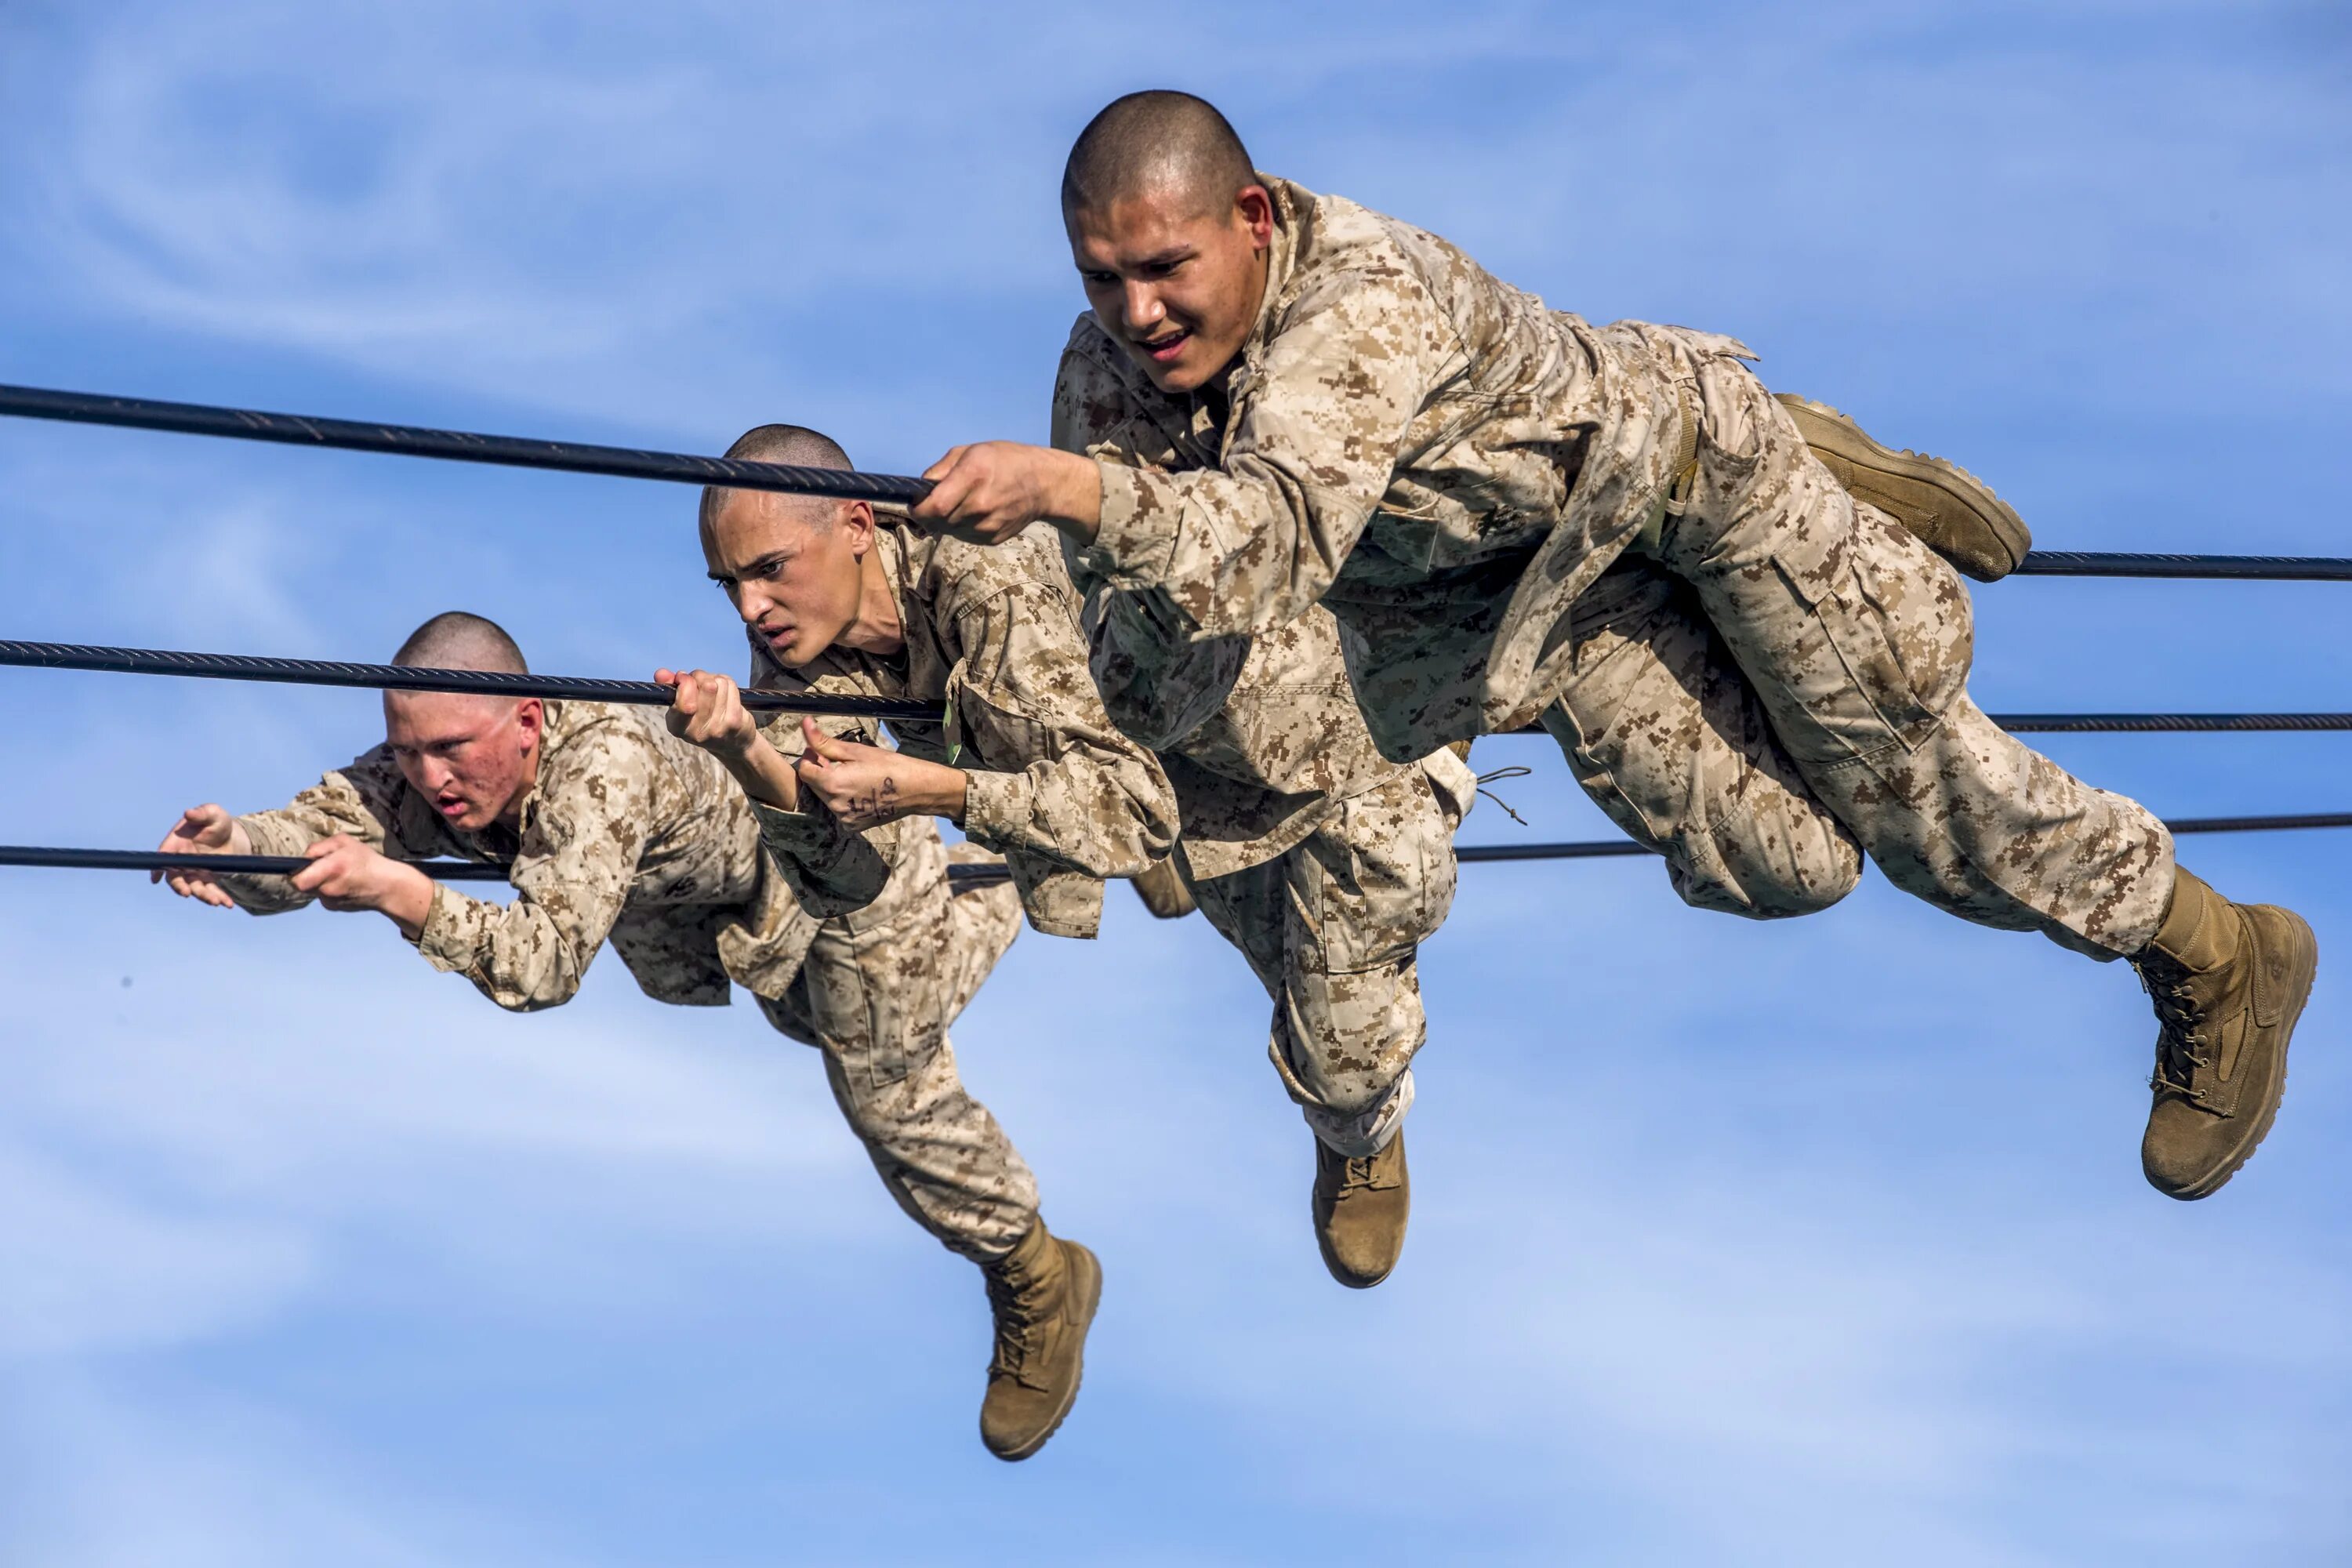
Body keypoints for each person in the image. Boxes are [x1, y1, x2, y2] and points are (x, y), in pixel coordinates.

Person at [910, 89, 2316, 1201]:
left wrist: (1070, 490)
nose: (1137, 314)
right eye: (1102, 279)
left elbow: (1266, 537)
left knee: (1902, 777)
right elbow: (1164, 611)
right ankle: (1803, 491)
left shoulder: (1358, 303)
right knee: (1792, 867)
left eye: (1166, 269)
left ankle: (2209, 951)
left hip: (1664, 481)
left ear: (1256, 220)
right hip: (1531, 598)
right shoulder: (1108, 374)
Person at [154, 611, 1073, 1461]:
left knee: (884, 1085)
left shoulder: (601, 763)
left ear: (525, 718)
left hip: (843, 854)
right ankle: (1073, 847)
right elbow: (317, 830)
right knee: (815, 1017)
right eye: (408, 752)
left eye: (450, 749)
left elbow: (542, 964)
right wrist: (240, 845)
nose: (431, 778)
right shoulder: (423, 772)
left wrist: (403, 892)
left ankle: (1034, 1270)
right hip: (759, 911)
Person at [658, 425, 1178, 1456]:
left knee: (877, 1067)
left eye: (770, 570)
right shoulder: (790, 661)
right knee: (810, 1000)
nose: (751, 608)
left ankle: (1028, 1272)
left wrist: (935, 789)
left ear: (858, 525)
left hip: (1156, 731)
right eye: (728, 585)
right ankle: (1050, 852)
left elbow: (1137, 812)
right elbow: (843, 879)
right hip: (1023, 779)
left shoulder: (985, 576)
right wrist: (751, 760)